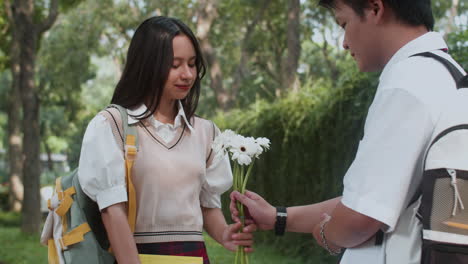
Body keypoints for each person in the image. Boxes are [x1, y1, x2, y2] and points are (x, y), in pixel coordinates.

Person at [230, 0, 466, 263]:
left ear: (375, 9)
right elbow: (369, 200)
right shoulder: (445, 73)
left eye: (344, 24)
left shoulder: (407, 83)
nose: (343, 43)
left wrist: (327, 233)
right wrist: (278, 217)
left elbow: (359, 218)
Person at [78, 16, 256, 264]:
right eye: (175, 65)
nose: (187, 74)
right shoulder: (112, 126)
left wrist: (225, 234)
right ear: (148, 65)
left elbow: (207, 207)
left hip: (194, 257)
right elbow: (112, 213)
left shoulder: (206, 133)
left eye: (192, 64)